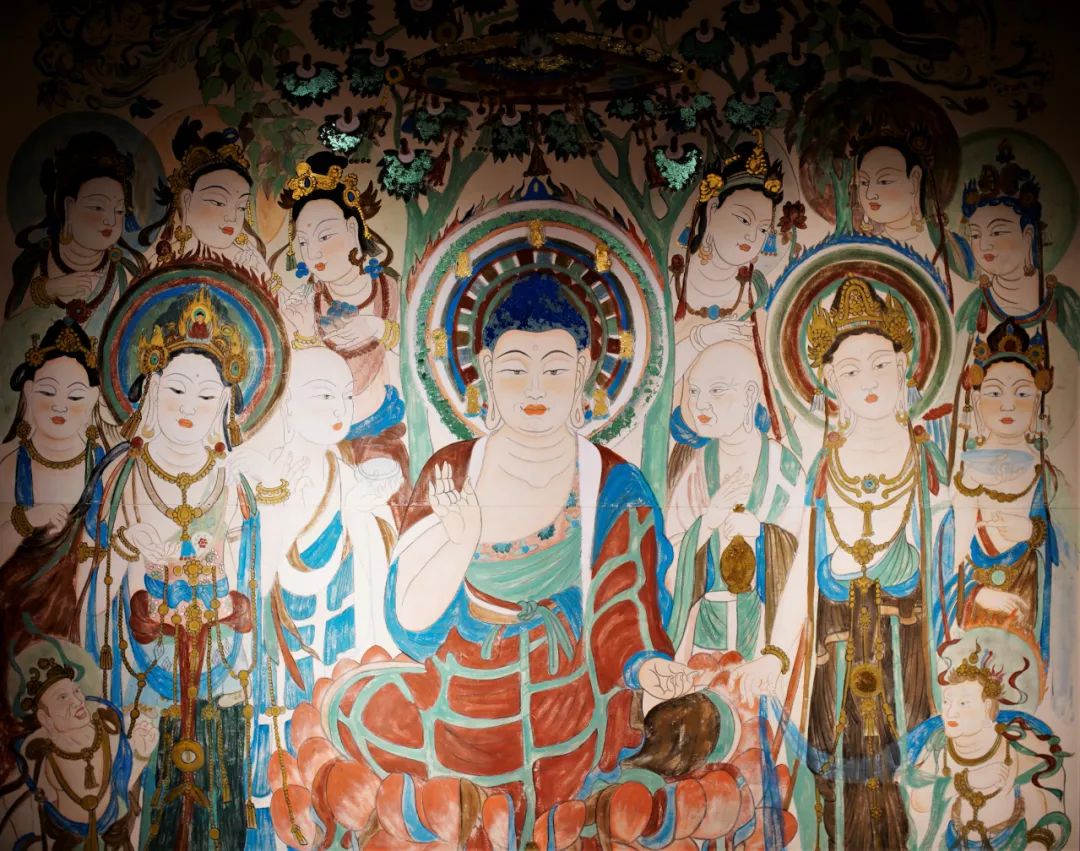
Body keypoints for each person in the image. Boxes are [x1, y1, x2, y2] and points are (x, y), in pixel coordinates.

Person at [734, 275, 951, 848]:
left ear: (904, 365)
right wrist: (776, 656)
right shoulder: (824, 470)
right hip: (835, 681)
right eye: (851, 371)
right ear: (829, 381)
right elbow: (803, 582)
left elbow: (947, 573)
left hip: (910, 675)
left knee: (909, 805)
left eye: (880, 364)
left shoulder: (928, 464)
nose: (869, 382)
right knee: (837, 810)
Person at [72, 278, 285, 849]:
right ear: (151, 389)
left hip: (219, 666)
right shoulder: (122, 476)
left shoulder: (233, 481)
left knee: (218, 795)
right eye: (177, 390)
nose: (190, 408)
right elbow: (89, 588)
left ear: (226, 406)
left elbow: (253, 581)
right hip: (141, 674)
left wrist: (233, 605)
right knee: (145, 799)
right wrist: (129, 556)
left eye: (207, 396)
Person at [276, 152, 410, 524]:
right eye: (303, 242)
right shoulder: (302, 308)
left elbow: (421, 358)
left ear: (353, 229)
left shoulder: (394, 293)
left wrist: (379, 329)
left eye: (325, 236)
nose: (314, 252)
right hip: (317, 447)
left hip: (381, 439)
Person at [665, 341, 804, 663]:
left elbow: (802, 563)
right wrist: (707, 524)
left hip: (763, 633)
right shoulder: (696, 468)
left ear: (750, 395)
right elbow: (669, 558)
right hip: (703, 635)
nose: (700, 404)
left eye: (716, 391)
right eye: (694, 391)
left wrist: (762, 534)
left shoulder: (785, 470)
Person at [947, 321, 1060, 678]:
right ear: (977, 403)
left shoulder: (1049, 479)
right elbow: (947, 563)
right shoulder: (963, 478)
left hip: (1029, 616)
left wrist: (1032, 533)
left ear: (1038, 401)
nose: (1008, 404)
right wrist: (976, 594)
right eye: (995, 392)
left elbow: (1068, 564)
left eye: (1022, 393)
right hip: (974, 617)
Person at [908, 646, 1070, 849]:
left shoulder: (1016, 745)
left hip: (1012, 843)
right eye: (947, 701)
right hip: (955, 842)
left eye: (963, 703)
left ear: (986, 707)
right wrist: (966, 782)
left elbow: (1047, 803)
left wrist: (1037, 843)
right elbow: (919, 802)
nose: (951, 712)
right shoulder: (939, 745)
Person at [1, 644, 159, 851]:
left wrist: (141, 753)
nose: (77, 701)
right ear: (44, 718)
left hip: (113, 838)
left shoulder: (109, 735)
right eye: (62, 697)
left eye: (76, 691)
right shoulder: (38, 756)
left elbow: (122, 784)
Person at [5, 132, 147, 333]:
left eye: (119, 211)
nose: (111, 220)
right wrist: (49, 289)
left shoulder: (125, 273)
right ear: (69, 207)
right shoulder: (36, 262)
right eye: (97, 207)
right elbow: (9, 326)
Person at [673, 132, 784, 388]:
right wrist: (700, 339)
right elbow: (658, 374)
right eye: (743, 219)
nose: (751, 237)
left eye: (763, 229)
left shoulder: (757, 293)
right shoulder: (676, 281)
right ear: (713, 210)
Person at [955, 141, 1080, 358]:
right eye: (975, 235)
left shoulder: (1064, 304)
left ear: (1028, 235)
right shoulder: (975, 306)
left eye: (997, 232)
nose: (983, 245)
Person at [0, 319, 106, 567]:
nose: (60, 406)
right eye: (48, 392)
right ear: (29, 392)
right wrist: (30, 519)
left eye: (75, 396)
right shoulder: (13, 465)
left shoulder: (102, 464)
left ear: (92, 399)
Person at [139, 118, 276, 287]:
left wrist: (258, 271)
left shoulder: (249, 262)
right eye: (218, 202)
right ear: (187, 201)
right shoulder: (165, 260)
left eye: (240, 207)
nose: (232, 217)